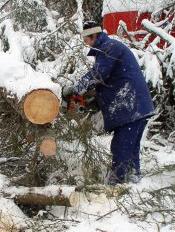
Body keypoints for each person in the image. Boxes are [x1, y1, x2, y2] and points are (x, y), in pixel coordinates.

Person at [66, 21, 154, 184]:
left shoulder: (108, 47)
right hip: (136, 105)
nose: (86, 43)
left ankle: (116, 183)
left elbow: (98, 75)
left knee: (121, 146)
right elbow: (107, 80)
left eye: (86, 40)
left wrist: (77, 88)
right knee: (131, 146)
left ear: (94, 36)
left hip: (131, 105)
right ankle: (134, 179)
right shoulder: (108, 48)